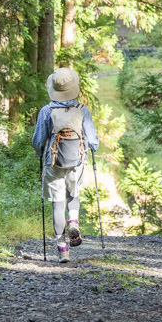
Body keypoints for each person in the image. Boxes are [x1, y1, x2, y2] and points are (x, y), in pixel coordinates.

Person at [31, 67, 100, 263]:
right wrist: (92, 148)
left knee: (58, 203)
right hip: (77, 161)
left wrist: (40, 153)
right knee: (73, 195)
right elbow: (93, 141)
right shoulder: (81, 110)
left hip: (53, 162)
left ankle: (63, 250)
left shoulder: (47, 111)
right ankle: (74, 222)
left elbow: (38, 141)